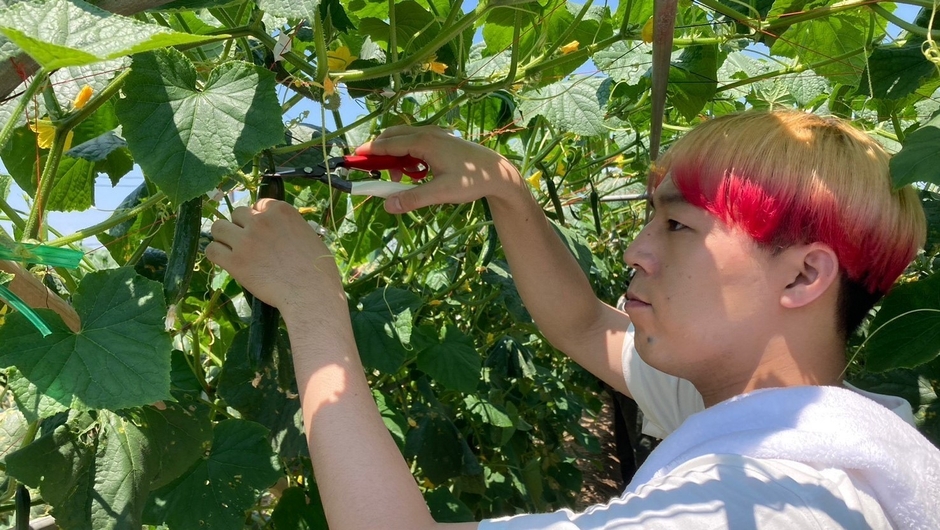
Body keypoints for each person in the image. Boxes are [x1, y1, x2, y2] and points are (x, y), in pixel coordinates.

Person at [206, 110, 940, 529]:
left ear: (804, 275)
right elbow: (584, 326)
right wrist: (507, 189)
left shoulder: (750, 503)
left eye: (678, 226)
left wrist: (311, 304)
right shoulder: (774, 419)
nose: (634, 250)